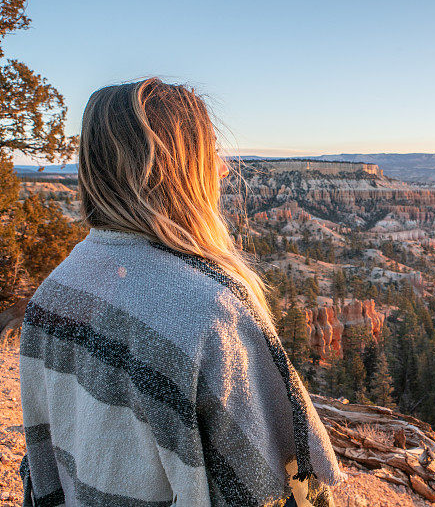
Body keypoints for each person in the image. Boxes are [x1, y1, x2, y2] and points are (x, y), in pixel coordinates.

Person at [18, 78, 343, 506]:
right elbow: (272, 491)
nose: (224, 168)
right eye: (208, 152)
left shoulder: (53, 292)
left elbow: (42, 467)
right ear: (174, 168)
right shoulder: (210, 311)